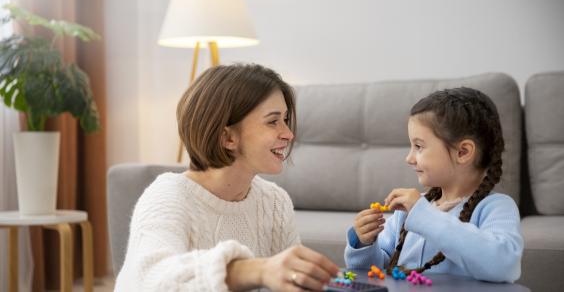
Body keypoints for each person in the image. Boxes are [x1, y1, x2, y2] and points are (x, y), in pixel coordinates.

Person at [115, 64, 339, 291]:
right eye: (273, 121)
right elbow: (149, 279)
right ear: (227, 137)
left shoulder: (274, 202)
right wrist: (256, 271)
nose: (289, 134)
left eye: (285, 119)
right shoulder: (167, 195)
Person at [345, 87, 523, 282]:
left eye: (419, 146)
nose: (409, 158)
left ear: (463, 152)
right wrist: (364, 243)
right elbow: (377, 271)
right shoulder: (408, 211)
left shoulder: (496, 208)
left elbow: (502, 265)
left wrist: (423, 215)